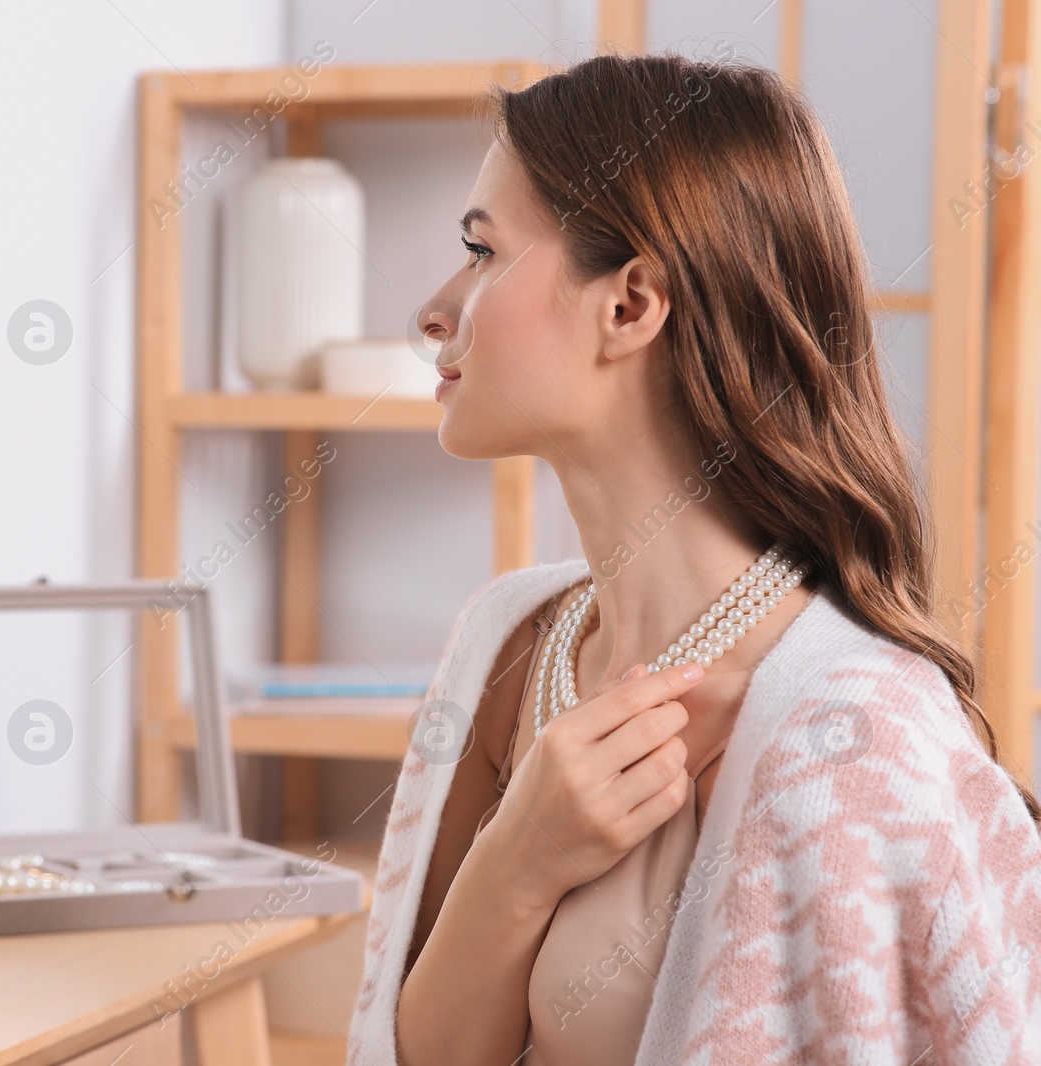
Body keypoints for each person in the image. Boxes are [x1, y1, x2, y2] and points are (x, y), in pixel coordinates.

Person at [346, 51, 1041, 1066]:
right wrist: (515, 866)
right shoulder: (505, 646)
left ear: (629, 305)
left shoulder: (852, 743)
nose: (434, 313)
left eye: (483, 252)